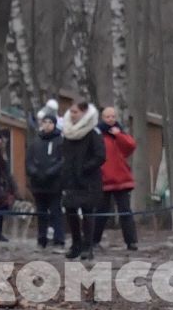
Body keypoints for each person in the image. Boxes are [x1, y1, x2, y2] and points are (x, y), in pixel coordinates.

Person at [59, 99, 107, 261]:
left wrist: (84, 168)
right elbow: (64, 154)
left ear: (84, 113)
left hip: (88, 180)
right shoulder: (67, 132)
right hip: (70, 179)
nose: (72, 115)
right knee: (70, 211)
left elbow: (100, 156)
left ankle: (88, 246)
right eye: (71, 112)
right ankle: (76, 244)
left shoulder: (93, 132)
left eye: (75, 112)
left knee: (87, 213)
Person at [89, 106, 139, 252]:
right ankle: (94, 240)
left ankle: (131, 242)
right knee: (101, 212)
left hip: (121, 179)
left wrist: (119, 135)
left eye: (113, 117)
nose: (110, 119)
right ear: (102, 118)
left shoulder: (120, 132)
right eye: (107, 117)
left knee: (125, 212)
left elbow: (131, 146)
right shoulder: (97, 134)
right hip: (103, 179)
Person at [26, 113, 65, 248]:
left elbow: (63, 160)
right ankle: (41, 238)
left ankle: (58, 239)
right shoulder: (35, 142)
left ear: (54, 124)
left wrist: (52, 171)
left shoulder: (60, 141)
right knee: (41, 212)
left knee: (56, 212)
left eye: (50, 122)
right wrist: (34, 171)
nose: (47, 125)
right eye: (45, 122)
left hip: (54, 184)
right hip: (38, 183)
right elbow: (28, 160)